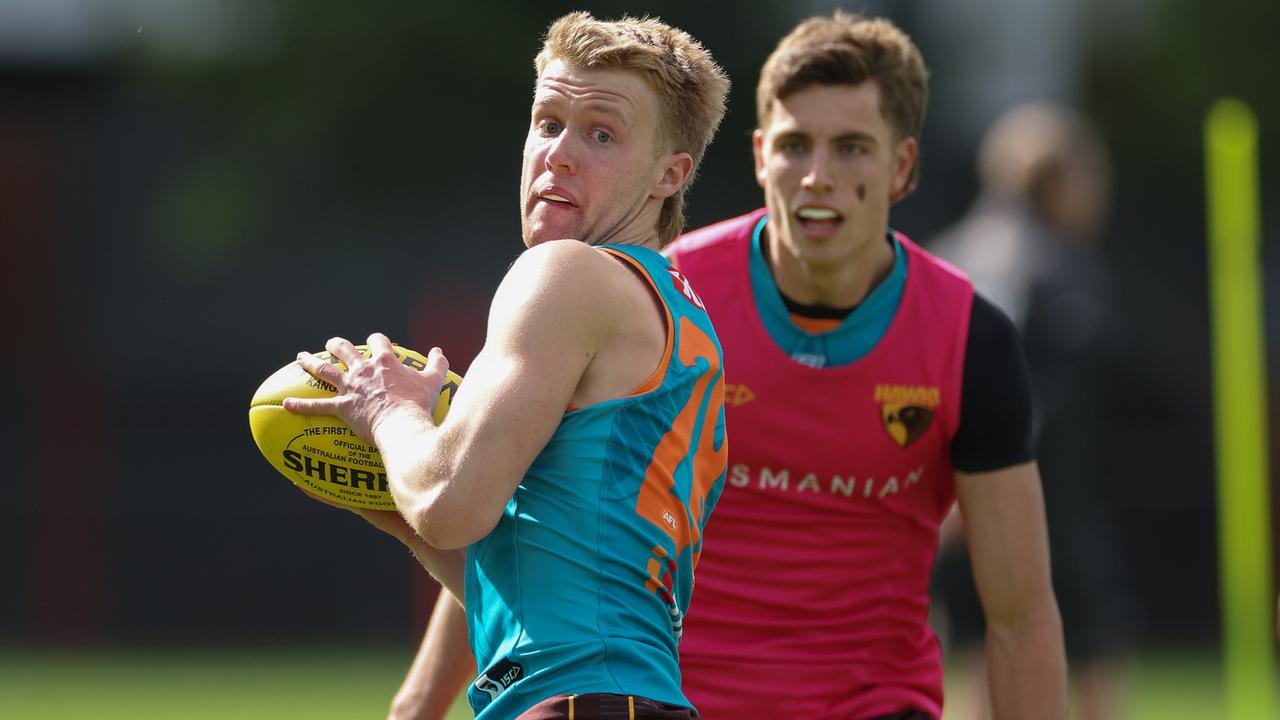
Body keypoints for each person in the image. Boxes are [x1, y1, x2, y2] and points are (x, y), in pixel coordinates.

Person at [391, 11, 1066, 720]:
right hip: (670, 699)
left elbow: (1020, 613)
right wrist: (418, 704)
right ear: (758, 153)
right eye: (795, 144)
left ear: (900, 166)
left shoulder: (967, 336)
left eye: (851, 148)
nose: (816, 176)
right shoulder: (649, 299)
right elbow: (526, 509)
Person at [284, 12, 731, 720]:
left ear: (669, 175)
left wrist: (390, 412)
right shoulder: (683, 317)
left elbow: (448, 505)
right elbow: (533, 581)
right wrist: (389, 503)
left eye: (602, 134)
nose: (559, 153)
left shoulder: (566, 273)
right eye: (548, 122)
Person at [930, 103, 1138, 720]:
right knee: (1094, 659)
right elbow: (1041, 405)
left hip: (950, 504)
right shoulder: (1063, 270)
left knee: (979, 659)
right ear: (1059, 180)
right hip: (1046, 509)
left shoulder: (943, 258)